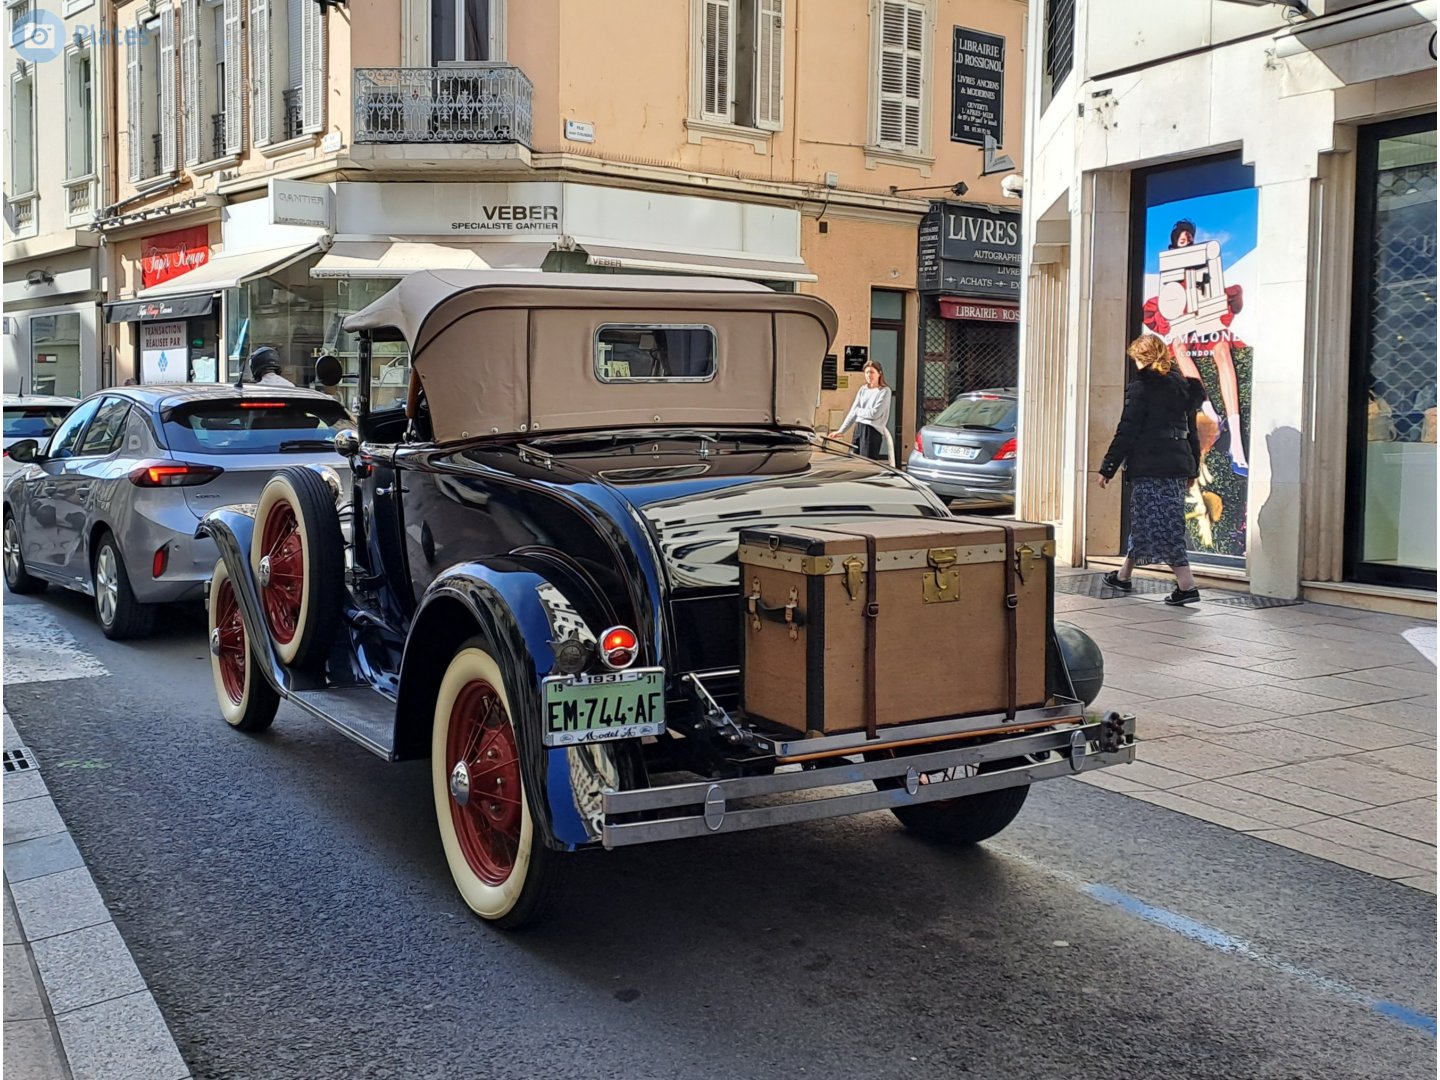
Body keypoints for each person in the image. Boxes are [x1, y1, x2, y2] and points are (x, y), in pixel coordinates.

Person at [1096, 334, 1207, 606]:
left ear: (1141, 358)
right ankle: (1123, 575)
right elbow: (1192, 433)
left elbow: (1127, 430)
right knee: (1146, 520)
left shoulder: (1143, 386)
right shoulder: (1182, 386)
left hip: (1151, 467)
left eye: (1135, 358)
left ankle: (1187, 585)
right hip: (1176, 466)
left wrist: (1108, 467)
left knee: (1164, 525)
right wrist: (1192, 468)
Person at [1146, 219, 1248, 476]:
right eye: (1182, 237)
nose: (1187, 239)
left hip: (1205, 319)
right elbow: (1161, 313)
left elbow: (1228, 300)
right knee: (1179, 346)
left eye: (1189, 237)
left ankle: (1236, 442)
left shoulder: (1203, 267)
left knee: (1222, 347)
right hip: (1183, 323)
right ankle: (1210, 410)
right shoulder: (1169, 279)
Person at [834, 361, 892, 462]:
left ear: (879, 373)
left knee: (867, 463)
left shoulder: (884, 391)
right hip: (859, 428)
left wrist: (858, 412)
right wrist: (841, 431)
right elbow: (853, 411)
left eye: (872, 372)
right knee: (853, 460)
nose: (869, 375)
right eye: (867, 372)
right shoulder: (863, 389)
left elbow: (874, 414)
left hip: (872, 431)